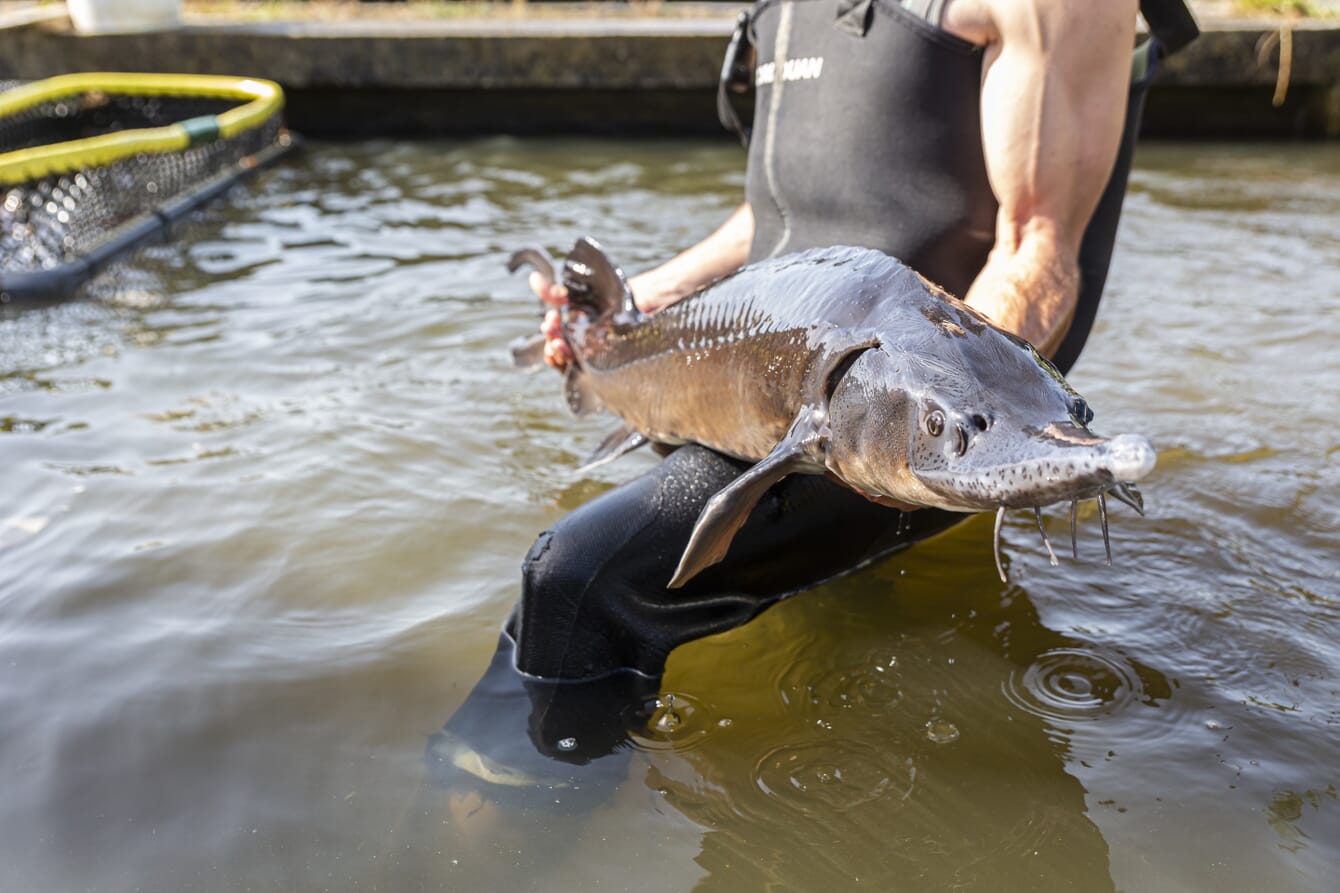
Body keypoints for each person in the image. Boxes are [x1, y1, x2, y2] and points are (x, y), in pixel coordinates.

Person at [431, 0, 1197, 791]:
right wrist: (627, 316)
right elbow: (774, 210)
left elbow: (1039, 243)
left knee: (572, 578)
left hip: (872, 411)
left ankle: (489, 809)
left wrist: (955, 402)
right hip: (761, 357)